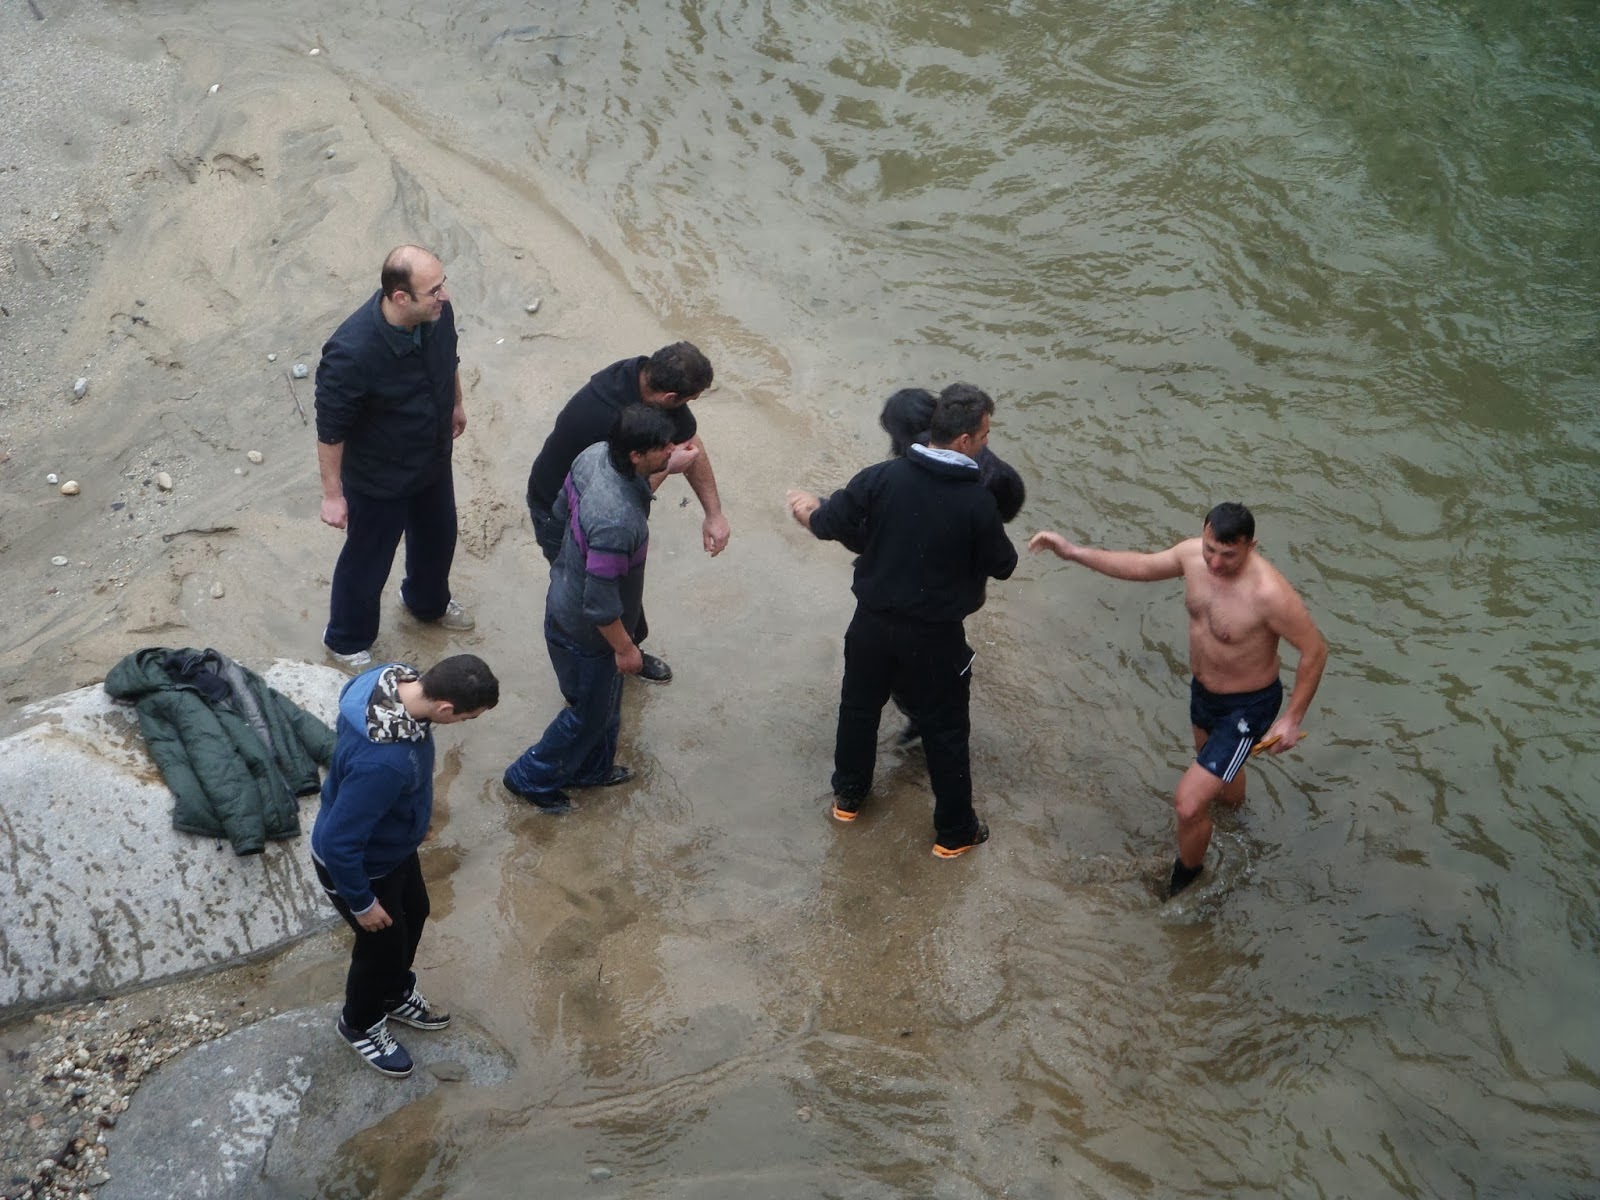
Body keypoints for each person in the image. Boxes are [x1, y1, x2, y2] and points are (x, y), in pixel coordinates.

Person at [1029, 502, 1328, 897]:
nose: (1216, 564)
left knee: (1187, 804)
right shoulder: (1192, 556)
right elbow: (1140, 566)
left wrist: (1292, 718)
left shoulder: (1269, 594)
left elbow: (1315, 650)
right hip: (1204, 692)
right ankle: (1236, 823)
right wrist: (1072, 552)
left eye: (1229, 555)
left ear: (1251, 546)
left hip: (1249, 705)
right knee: (1219, 775)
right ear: (1203, 534)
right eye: (1210, 550)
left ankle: (1185, 882)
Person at [787, 384, 1018, 858]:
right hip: (934, 637)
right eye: (985, 435)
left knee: (858, 710)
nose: (987, 443)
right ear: (963, 442)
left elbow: (829, 523)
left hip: (870, 625)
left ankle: (849, 799)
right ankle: (955, 833)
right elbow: (1004, 564)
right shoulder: (975, 503)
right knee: (947, 731)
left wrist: (807, 507)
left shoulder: (881, 477)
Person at [311, 653, 500, 1078]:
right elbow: (339, 842)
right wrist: (360, 902)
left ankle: (393, 993)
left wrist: (412, 821)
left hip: (393, 845)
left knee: (416, 912)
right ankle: (359, 1022)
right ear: (445, 709)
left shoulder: (388, 677)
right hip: (361, 865)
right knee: (379, 944)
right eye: (467, 718)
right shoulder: (386, 763)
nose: (464, 724)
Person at [504, 405, 678, 813]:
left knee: (602, 704)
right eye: (663, 448)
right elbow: (600, 605)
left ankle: (592, 769)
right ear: (636, 455)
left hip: (560, 600)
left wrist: (670, 467)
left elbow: (563, 512)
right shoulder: (617, 521)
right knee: (587, 715)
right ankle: (529, 777)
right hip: (588, 634)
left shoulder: (595, 454)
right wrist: (625, 649)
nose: (671, 449)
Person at [523, 342, 728, 683]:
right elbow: (619, 499)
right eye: (689, 401)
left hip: (602, 492)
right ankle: (592, 674)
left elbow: (689, 443)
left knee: (621, 587)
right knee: (587, 593)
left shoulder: (644, 378)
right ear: (670, 397)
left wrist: (714, 515)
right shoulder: (603, 417)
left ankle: (629, 646)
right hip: (562, 508)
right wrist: (668, 468)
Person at [316, 245, 474, 671]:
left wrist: (456, 404)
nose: (445, 294)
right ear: (400, 297)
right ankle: (346, 640)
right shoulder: (351, 352)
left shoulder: (437, 313)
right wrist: (333, 495)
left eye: (442, 284)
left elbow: (449, 360)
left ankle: (426, 603)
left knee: (439, 535)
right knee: (369, 559)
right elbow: (330, 429)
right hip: (379, 475)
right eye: (434, 290)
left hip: (432, 455)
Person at [856, 387, 1027, 749]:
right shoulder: (965, 448)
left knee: (916, 652)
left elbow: (873, 529)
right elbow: (1011, 497)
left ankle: (923, 715)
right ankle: (939, 687)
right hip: (965, 567)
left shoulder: (914, 463)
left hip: (928, 587)